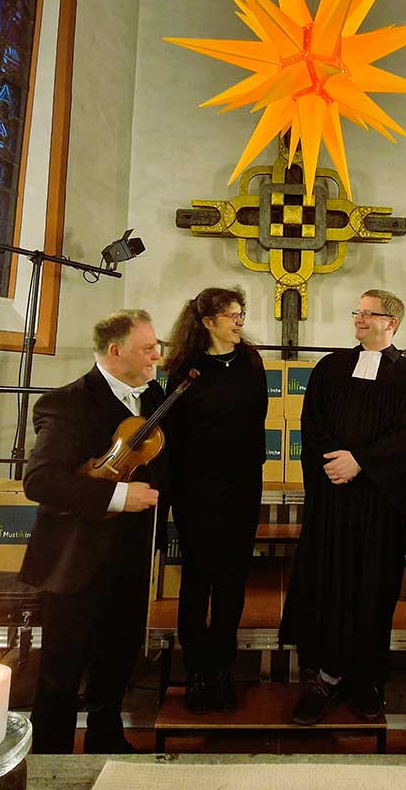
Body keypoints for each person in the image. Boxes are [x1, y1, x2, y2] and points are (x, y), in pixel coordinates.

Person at [280, 290, 406, 724]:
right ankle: (323, 678)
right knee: (328, 586)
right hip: (332, 499)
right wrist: (337, 465)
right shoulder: (330, 367)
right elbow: (312, 424)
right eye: (357, 312)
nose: (360, 319)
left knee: (372, 590)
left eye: (369, 313)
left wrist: (361, 462)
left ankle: (366, 680)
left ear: (393, 324)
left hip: (379, 506)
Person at [19, 310, 165, 754]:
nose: (156, 356)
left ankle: (106, 738)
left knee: (118, 654)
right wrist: (119, 498)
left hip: (130, 551)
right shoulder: (66, 403)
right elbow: (40, 481)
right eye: (147, 349)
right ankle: (51, 760)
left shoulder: (152, 396)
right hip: (76, 556)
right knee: (62, 668)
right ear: (115, 350)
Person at [163, 288, 268, 714]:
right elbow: (175, 432)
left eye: (241, 313)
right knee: (198, 578)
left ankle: (222, 665)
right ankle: (197, 669)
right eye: (231, 315)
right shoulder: (186, 369)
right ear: (207, 322)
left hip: (242, 485)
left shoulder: (251, 360)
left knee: (232, 579)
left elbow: (258, 416)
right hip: (196, 488)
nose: (239, 321)